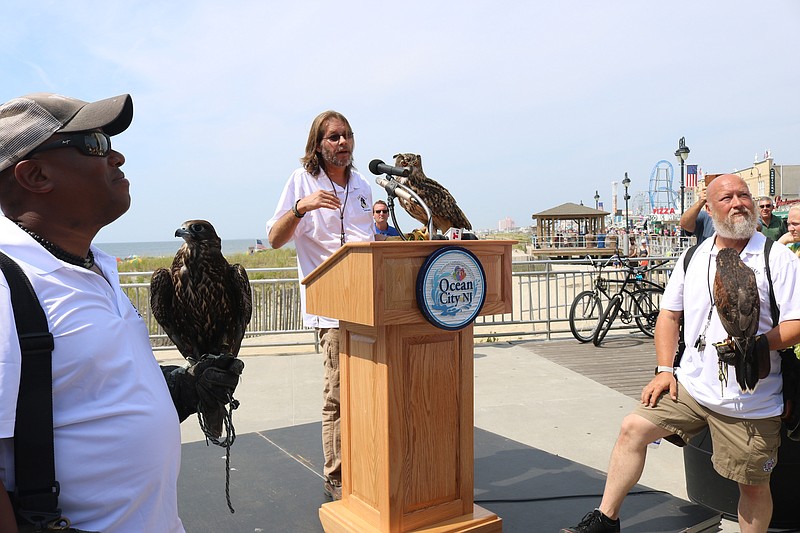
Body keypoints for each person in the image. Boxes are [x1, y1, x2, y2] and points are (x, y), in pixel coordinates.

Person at [0, 93, 242, 532]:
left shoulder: (95, 266)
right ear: (35, 174)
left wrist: (180, 391)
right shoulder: (5, 285)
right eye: (94, 142)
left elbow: (85, 396)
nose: (117, 155)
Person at [561, 174, 800, 533]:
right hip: (691, 386)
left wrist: (758, 344)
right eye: (727, 198)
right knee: (633, 429)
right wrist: (663, 369)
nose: (738, 203)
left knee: (752, 485)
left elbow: (797, 322)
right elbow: (669, 316)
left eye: (744, 195)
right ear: (709, 208)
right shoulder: (693, 257)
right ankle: (605, 520)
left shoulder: (776, 258)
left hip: (749, 397)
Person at [266, 110, 373, 501]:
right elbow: (276, 238)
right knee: (339, 397)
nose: (342, 143)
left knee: (368, 394)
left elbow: (369, 244)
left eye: (346, 135)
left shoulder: (363, 184)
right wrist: (301, 207)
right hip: (332, 311)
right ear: (318, 143)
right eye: (333, 137)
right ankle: (337, 476)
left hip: (369, 308)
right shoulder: (301, 181)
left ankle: (368, 465)